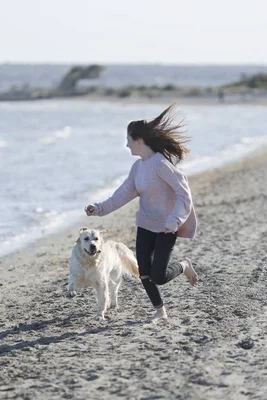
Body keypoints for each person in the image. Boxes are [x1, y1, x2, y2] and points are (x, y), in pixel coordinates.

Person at [84, 104, 198, 321]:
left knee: (159, 276)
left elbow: (184, 194)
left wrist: (174, 220)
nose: (126, 144)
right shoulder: (138, 168)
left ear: (139, 140)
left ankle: (184, 266)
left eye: (128, 140)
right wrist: (98, 209)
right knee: (143, 272)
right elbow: (122, 195)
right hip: (145, 225)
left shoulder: (161, 165)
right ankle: (159, 311)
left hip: (166, 228)